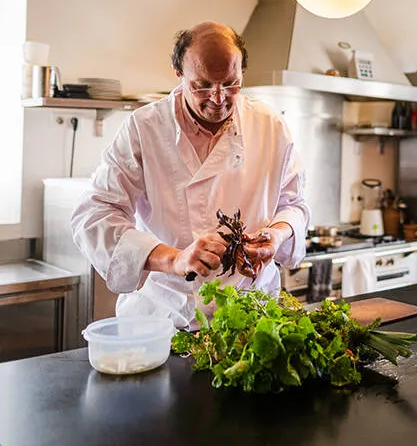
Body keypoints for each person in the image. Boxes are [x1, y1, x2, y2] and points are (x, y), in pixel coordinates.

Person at [71, 22, 310, 328]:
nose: (218, 98)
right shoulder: (144, 128)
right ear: (179, 74)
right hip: (165, 317)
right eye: (202, 85)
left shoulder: (269, 125)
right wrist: (174, 259)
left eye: (231, 84)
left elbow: (294, 205)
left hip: (250, 316)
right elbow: (94, 216)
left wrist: (276, 235)